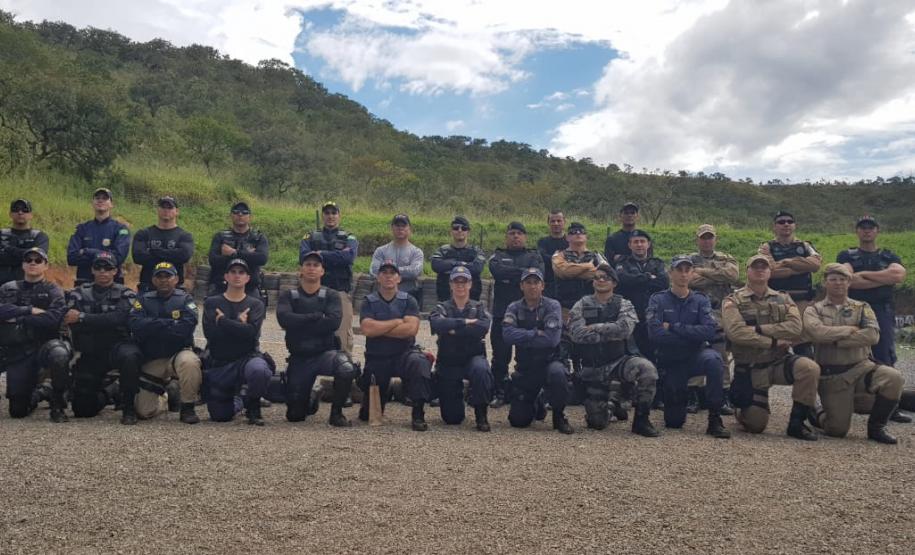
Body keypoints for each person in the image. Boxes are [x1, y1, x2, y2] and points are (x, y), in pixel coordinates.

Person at [721, 255, 820, 441]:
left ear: (770, 272)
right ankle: (742, 408)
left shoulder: (783, 298)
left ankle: (797, 423)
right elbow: (736, 333)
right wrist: (773, 341)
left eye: (764, 267)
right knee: (755, 425)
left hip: (778, 362)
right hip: (751, 367)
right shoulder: (733, 300)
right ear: (747, 271)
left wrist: (758, 329)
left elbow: (795, 327)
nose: (760, 270)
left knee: (809, 368)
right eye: (755, 267)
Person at [803, 264, 904, 444]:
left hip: (862, 368)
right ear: (825, 283)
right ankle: (816, 412)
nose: (838, 283)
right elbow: (816, 333)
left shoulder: (862, 307)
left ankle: (877, 428)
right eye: (833, 279)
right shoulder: (814, 310)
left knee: (894, 377)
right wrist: (850, 329)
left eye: (842, 279)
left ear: (849, 283)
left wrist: (836, 341)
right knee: (837, 430)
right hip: (833, 375)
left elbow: (873, 335)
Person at [568, 263, 659, 436]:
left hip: (619, 362)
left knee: (647, 370)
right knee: (597, 423)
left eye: (606, 278)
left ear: (614, 283)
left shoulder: (624, 304)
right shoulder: (581, 304)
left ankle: (641, 420)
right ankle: (613, 403)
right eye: (597, 277)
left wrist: (596, 327)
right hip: (593, 367)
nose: (601, 280)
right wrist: (611, 330)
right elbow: (576, 334)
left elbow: (625, 330)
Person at [646, 256, 731, 438]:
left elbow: (709, 331)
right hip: (672, 361)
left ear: (692, 274)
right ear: (670, 273)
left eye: (687, 270)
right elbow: (655, 334)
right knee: (674, 422)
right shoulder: (658, 300)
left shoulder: (701, 300)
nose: (683, 274)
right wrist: (692, 335)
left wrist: (673, 327)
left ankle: (715, 419)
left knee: (714, 361)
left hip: (696, 356)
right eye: (679, 270)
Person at [837, 216, 910, 423]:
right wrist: (882, 277)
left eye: (871, 227)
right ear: (857, 231)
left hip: (881, 310)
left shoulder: (889, 255)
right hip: (854, 310)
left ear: (877, 230)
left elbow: (897, 276)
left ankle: (890, 407)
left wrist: (863, 275)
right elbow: (848, 281)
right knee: (849, 353)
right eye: (863, 227)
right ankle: (847, 401)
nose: (867, 230)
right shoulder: (846, 255)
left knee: (885, 355)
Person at [276, 252, 360, 427]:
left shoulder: (331, 295)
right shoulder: (288, 295)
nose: (311, 268)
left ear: (322, 271)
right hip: (300, 357)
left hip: (325, 354)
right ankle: (314, 395)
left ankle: (336, 414)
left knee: (346, 368)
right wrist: (315, 317)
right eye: (308, 264)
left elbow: (333, 323)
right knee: (295, 416)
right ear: (301, 270)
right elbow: (284, 319)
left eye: (316, 265)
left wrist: (299, 322)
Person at [63, 251, 142, 424]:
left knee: (131, 356)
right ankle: (111, 392)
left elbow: (119, 318)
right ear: (92, 270)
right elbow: (71, 321)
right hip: (91, 351)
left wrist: (83, 317)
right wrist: (102, 321)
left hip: (118, 347)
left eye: (108, 268)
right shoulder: (78, 293)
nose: (103, 271)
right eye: (98, 267)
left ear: (115, 271)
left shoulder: (127, 294)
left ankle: (128, 407)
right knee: (82, 410)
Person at [359, 260, 433, 430]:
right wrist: (397, 322)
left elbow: (411, 330)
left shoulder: (409, 300)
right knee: (367, 416)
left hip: (404, 354)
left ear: (399, 278)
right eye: (384, 273)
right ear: (378, 277)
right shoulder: (368, 301)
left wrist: (380, 328)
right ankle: (389, 392)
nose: (388, 276)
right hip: (378, 357)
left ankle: (418, 413)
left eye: (392, 273)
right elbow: (368, 329)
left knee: (420, 363)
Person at [0, 247, 70, 421]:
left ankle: (58, 403)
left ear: (45, 265)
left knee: (59, 354)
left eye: (38, 260)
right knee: (18, 411)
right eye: (28, 260)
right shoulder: (8, 288)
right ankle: (42, 392)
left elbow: (53, 319)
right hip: (18, 349)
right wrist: (29, 310)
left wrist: (17, 318)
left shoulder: (53, 290)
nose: (33, 263)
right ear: (23, 265)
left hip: (44, 345)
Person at [127, 261, 202, 424]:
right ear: (153, 280)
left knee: (190, 362)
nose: (163, 280)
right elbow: (135, 325)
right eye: (159, 276)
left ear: (176, 279)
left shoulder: (185, 299)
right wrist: (168, 323)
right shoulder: (144, 299)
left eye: (168, 276)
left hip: (178, 354)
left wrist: (152, 325)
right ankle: (166, 397)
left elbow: (185, 328)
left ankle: (188, 407)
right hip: (152, 358)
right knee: (143, 411)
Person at [502, 267, 573, 434]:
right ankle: (538, 402)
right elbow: (507, 336)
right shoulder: (513, 307)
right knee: (518, 421)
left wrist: (523, 336)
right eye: (528, 282)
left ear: (542, 286)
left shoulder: (552, 305)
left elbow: (552, 339)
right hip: (527, 367)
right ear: (521, 286)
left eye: (536, 282)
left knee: (558, 374)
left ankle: (559, 415)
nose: (532, 286)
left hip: (550, 361)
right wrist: (535, 333)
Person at [202, 258, 272, 426]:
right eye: (233, 272)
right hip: (221, 362)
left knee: (260, 370)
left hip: (247, 358)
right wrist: (240, 324)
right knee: (220, 416)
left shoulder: (256, 304)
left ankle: (253, 406)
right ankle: (240, 400)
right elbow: (211, 334)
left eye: (241, 272)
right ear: (226, 276)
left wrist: (223, 321)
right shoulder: (212, 302)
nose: (237, 276)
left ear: (248, 278)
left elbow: (251, 334)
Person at [429, 266, 494, 431]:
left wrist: (452, 329)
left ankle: (481, 414)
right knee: (452, 419)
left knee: (481, 370)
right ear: (450, 285)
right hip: (449, 362)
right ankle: (460, 395)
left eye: (464, 282)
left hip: (473, 357)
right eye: (456, 282)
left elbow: (482, 328)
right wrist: (465, 322)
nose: (460, 285)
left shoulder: (479, 307)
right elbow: (437, 324)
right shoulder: (441, 307)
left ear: (470, 284)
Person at [487, 222, 544, 407]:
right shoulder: (498, 255)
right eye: (512, 233)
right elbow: (497, 272)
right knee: (500, 357)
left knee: (527, 357)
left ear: (525, 237)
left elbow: (538, 275)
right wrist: (524, 274)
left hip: (528, 314)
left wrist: (510, 275)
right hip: (501, 313)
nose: (516, 236)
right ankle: (500, 392)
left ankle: (523, 391)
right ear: (506, 236)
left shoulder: (534, 256)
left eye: (519, 233)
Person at [687, 223, 740, 415]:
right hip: (695, 312)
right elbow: (688, 279)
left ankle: (723, 393)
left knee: (721, 353)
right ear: (697, 239)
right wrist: (718, 276)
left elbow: (733, 275)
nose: (707, 241)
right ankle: (693, 393)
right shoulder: (688, 259)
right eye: (703, 237)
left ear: (715, 239)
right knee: (694, 350)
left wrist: (702, 272)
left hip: (719, 312)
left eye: (710, 237)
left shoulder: (726, 258)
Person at [758, 210, 821, 356]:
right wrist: (801, 267)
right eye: (781, 222)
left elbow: (816, 265)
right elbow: (771, 271)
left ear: (794, 225)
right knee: (778, 344)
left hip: (802, 301)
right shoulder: (766, 247)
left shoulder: (805, 246)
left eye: (789, 221)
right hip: (776, 303)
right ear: (774, 226)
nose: (786, 224)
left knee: (804, 345)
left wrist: (786, 262)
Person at [299, 201, 357, 354]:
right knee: (312, 333)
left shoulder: (349, 237)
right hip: (314, 292)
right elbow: (304, 257)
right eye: (327, 213)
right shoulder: (310, 237)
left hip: (340, 291)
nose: (330, 216)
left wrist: (320, 255)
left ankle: (344, 366)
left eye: (334, 213)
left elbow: (348, 258)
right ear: (322, 216)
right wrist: (336, 256)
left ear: (339, 216)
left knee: (342, 336)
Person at [614, 230, 669, 360]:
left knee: (654, 352)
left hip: (654, 314)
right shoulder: (623, 263)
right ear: (630, 245)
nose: (639, 245)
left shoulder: (657, 263)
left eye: (642, 241)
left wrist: (636, 281)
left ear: (648, 244)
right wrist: (648, 277)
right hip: (631, 314)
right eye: (636, 242)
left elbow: (663, 283)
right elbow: (623, 280)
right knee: (632, 353)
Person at [66, 188, 130, 286]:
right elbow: (71, 258)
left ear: (111, 204)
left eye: (105, 198)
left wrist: (87, 251)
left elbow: (118, 258)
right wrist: (106, 256)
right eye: (97, 198)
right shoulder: (82, 228)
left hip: (112, 286)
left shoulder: (120, 229)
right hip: (84, 284)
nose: (100, 200)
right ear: (92, 203)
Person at [207, 201, 269, 301]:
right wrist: (248, 255)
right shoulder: (220, 236)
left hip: (250, 287)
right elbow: (213, 260)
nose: (240, 215)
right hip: (222, 286)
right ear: (231, 216)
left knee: (258, 305)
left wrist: (234, 253)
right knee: (210, 303)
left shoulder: (258, 238)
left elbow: (262, 258)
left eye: (244, 212)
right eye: (236, 212)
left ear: (250, 217)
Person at [132, 196, 195, 293]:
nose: (166, 210)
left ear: (177, 211)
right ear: (158, 210)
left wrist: (153, 251)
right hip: (148, 287)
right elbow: (138, 257)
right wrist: (172, 254)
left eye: (170, 207)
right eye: (163, 207)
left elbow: (184, 256)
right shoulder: (144, 233)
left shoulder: (184, 236)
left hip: (175, 290)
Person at [370, 214, 424, 308]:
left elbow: (415, 271)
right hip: (382, 297)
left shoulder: (416, 252)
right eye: (397, 225)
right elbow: (374, 270)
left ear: (409, 228)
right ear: (392, 228)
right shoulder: (381, 251)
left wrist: (388, 270)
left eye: (403, 225)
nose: (400, 228)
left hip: (408, 297)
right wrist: (402, 271)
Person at [551, 222, 607, 314]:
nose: (578, 233)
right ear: (567, 237)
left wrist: (572, 271)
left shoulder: (597, 256)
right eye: (573, 232)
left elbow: (605, 275)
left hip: (592, 307)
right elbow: (562, 271)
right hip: (565, 307)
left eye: (581, 232)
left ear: (586, 237)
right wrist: (588, 266)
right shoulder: (559, 255)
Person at [430, 216, 485, 302]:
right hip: (445, 300)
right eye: (456, 228)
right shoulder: (443, 250)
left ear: (468, 232)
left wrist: (449, 265)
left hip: (471, 302)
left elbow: (477, 268)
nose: (460, 230)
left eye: (464, 228)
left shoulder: (476, 251)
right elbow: (435, 265)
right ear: (451, 231)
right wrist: (460, 264)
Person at [0, 199, 49, 285]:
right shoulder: (1, 234)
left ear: (31, 215)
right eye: (16, 209)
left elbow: (37, 258)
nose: (20, 212)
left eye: (25, 210)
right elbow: (28, 256)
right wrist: (25, 253)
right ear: (10, 214)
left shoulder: (39, 236)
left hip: (27, 286)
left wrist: (8, 249)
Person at [537, 209, 568, 298]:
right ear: (548, 223)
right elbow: (542, 258)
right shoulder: (542, 242)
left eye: (559, 221)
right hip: (548, 286)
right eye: (553, 221)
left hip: (567, 285)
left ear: (564, 222)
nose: (556, 224)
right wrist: (561, 259)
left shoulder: (570, 242)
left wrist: (553, 258)